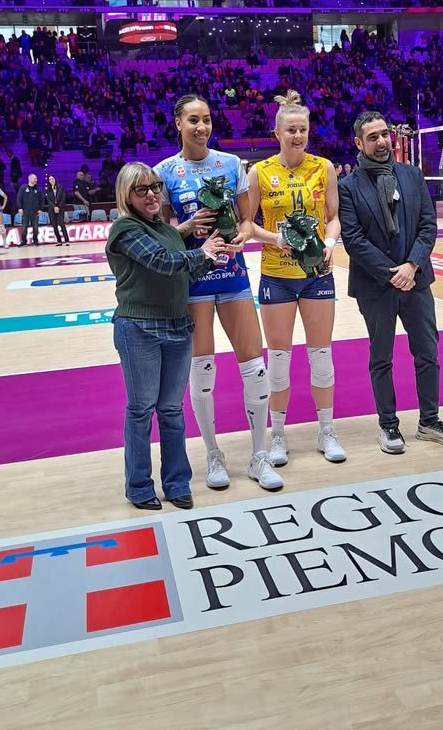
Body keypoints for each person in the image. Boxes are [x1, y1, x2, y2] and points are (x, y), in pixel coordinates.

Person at [154, 94, 281, 492]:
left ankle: (259, 456)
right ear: (178, 123)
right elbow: (161, 235)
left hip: (232, 276)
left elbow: (246, 221)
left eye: (207, 119)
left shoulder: (230, 164)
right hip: (192, 282)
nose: (202, 127)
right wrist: (188, 227)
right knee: (202, 370)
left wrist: (242, 235)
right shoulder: (163, 172)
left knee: (254, 367)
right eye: (193, 120)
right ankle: (213, 454)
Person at [338, 112, 443, 454]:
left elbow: (427, 225)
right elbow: (354, 240)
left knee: (427, 352)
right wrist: (393, 272)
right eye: (373, 137)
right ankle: (388, 425)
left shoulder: (412, 175)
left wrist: (412, 265)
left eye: (384, 134)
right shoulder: (348, 186)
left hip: (416, 280)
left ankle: (429, 421)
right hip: (376, 285)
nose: (382, 142)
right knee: (381, 357)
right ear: (359, 143)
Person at [105, 162, 228, 511]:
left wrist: (213, 257)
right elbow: (161, 262)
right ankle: (138, 486)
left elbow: (183, 271)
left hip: (177, 327)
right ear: (126, 195)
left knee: (172, 410)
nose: (151, 194)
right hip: (139, 328)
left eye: (155, 186)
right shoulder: (125, 228)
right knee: (141, 410)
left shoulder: (167, 230)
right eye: (141, 189)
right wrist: (200, 253)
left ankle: (176, 483)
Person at [248, 89, 345, 467]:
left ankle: (327, 431)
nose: (298, 136)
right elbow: (246, 224)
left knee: (321, 356)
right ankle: (277, 435)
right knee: (278, 360)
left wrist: (330, 242)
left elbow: (333, 217)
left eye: (303, 129)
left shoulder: (324, 168)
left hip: (316, 274)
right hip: (277, 275)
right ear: (277, 133)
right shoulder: (259, 172)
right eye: (291, 130)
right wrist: (276, 239)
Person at [17, 173, 45, 247]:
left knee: (35, 228)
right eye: (35, 178)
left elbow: (42, 200)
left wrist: (41, 209)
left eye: (36, 178)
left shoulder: (39, 189)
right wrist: (20, 208)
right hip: (25, 211)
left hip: (35, 212)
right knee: (24, 228)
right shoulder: (23, 188)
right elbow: (19, 198)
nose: (36, 180)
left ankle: (35, 241)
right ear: (30, 179)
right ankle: (24, 241)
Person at [46, 174, 70, 245]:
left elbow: (63, 198)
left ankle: (67, 240)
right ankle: (59, 241)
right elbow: (49, 200)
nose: (51, 180)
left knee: (62, 224)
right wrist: (54, 207)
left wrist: (58, 207)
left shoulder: (60, 187)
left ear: (55, 179)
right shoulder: (48, 190)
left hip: (60, 208)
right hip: (52, 209)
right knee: (54, 225)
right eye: (50, 179)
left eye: (52, 179)